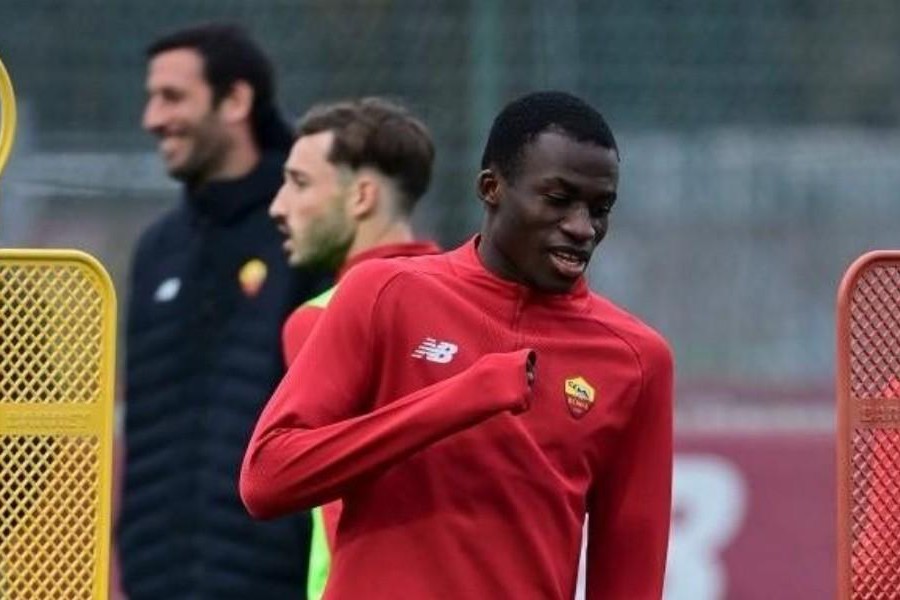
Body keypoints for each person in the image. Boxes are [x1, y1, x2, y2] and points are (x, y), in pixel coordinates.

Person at [241, 90, 674, 599]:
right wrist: (461, 398)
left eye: (600, 208)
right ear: (491, 188)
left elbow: (631, 580)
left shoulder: (638, 360)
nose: (583, 228)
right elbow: (266, 479)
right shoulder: (382, 294)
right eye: (558, 200)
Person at [117, 22, 329, 600]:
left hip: (276, 581)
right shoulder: (158, 247)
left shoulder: (309, 233)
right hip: (159, 578)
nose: (152, 119)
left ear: (235, 100)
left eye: (172, 97)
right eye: (151, 97)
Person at [269, 96, 440, 599]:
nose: (279, 206)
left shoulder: (321, 319)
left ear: (362, 196)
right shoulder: (477, 305)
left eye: (299, 183)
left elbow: (334, 496)